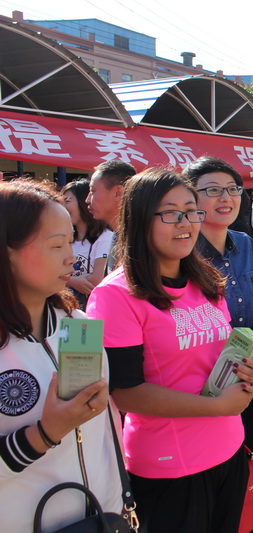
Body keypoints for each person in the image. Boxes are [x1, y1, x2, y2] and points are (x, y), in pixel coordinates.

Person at [87, 169, 253, 532]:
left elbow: (218, 358)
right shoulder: (115, 295)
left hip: (230, 449)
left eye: (191, 211)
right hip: (170, 466)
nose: (185, 222)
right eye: (170, 213)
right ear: (140, 218)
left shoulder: (207, 281)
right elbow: (125, 393)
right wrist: (216, 407)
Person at [0, 179, 122, 533]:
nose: (70, 257)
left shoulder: (78, 325)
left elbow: (105, 433)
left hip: (101, 518)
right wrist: (44, 434)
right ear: (7, 253)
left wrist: (116, 499)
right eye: (56, 245)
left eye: (71, 241)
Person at [183, 157, 253, 532]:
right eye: (212, 190)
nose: (225, 198)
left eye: (232, 189)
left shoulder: (245, 244)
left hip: (252, 378)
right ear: (190, 198)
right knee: (211, 489)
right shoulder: (182, 252)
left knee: (251, 473)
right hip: (205, 389)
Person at [62, 179, 113, 309]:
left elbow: (97, 279)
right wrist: (73, 281)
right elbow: (50, 276)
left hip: (93, 309)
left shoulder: (105, 237)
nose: (63, 207)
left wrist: (64, 280)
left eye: (67, 201)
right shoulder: (65, 239)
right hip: (67, 308)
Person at [85, 159, 136, 274]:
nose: (87, 200)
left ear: (118, 192)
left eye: (93, 191)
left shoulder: (138, 241)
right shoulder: (119, 235)